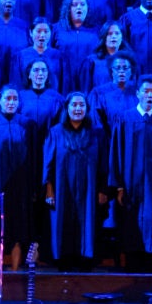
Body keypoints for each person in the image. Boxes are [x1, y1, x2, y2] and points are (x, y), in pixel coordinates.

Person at [107, 76, 152, 270]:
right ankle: (131, 269)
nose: (149, 95)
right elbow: (116, 152)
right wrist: (118, 185)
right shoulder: (125, 118)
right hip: (129, 183)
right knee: (130, 224)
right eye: (146, 91)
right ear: (137, 94)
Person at [43, 92, 108, 270]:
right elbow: (48, 164)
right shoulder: (55, 132)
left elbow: (103, 164)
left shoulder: (97, 134)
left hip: (89, 189)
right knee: (62, 222)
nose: (77, 109)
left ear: (87, 109)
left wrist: (103, 190)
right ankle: (63, 261)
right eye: (74, 105)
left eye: (81, 105)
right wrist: (49, 189)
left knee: (87, 222)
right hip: (62, 187)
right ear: (67, 108)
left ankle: (85, 260)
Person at [0, 84, 36, 267]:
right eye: (7, 99)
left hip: (21, 186)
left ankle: (16, 271)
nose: (11, 102)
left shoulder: (27, 124)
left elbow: (34, 157)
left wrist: (33, 187)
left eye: (14, 99)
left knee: (18, 230)